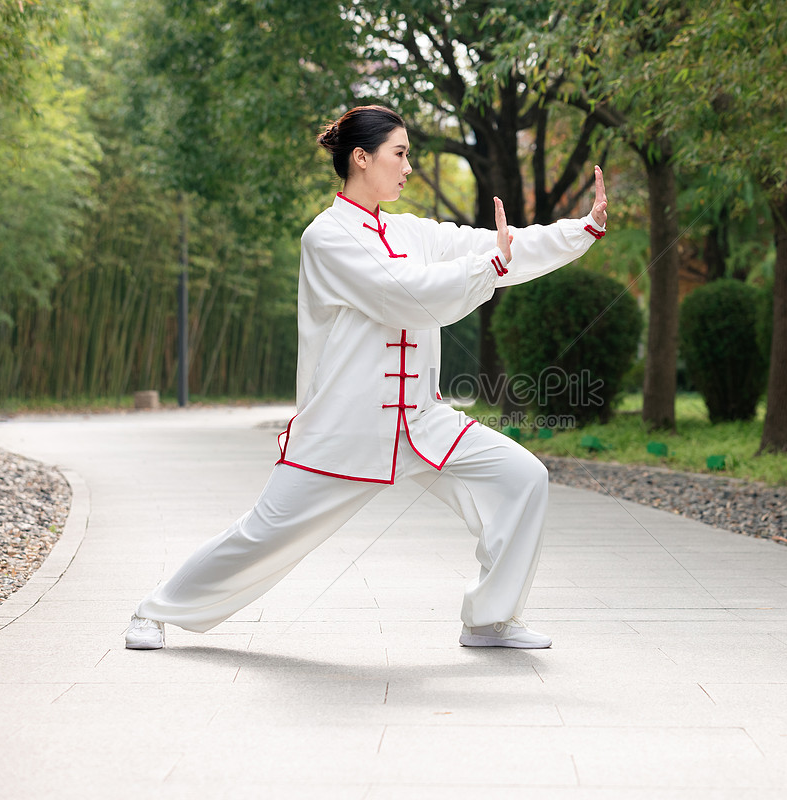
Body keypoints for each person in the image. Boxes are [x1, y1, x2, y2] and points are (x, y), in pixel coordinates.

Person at [125, 104, 608, 651]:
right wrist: (488, 267)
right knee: (262, 535)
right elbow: (403, 293)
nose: (408, 168)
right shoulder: (326, 238)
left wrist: (579, 231)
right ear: (361, 157)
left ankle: (490, 620)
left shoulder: (409, 231)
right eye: (399, 154)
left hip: (421, 421)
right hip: (344, 431)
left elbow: (491, 245)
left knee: (523, 478)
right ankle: (153, 610)